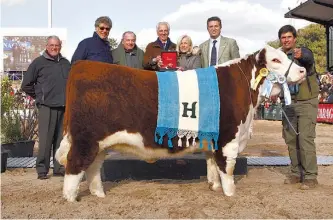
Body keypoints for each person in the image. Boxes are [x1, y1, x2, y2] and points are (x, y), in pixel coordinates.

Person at [21, 35, 70, 180]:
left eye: (57, 45)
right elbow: (26, 85)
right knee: (46, 140)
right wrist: (40, 96)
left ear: (60, 46)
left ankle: (59, 167)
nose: (54, 48)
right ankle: (42, 169)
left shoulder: (66, 63)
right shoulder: (38, 62)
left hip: (63, 107)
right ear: (47, 46)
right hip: (46, 107)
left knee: (60, 140)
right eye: (52, 45)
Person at [278, 25, 320, 189]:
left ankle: (310, 176)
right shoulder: (279, 58)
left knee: (305, 139)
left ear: (295, 38)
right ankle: (296, 173)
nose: (286, 40)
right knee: (290, 140)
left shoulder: (302, 52)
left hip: (306, 102)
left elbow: (308, 59)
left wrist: (302, 55)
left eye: (289, 37)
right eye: (283, 37)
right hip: (288, 104)